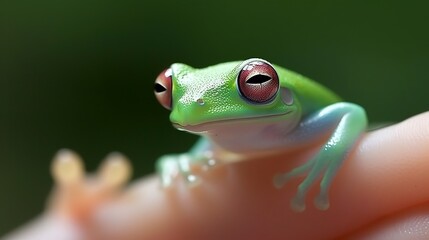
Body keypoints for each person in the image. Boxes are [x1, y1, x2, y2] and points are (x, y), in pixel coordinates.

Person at [4, 112, 429, 240]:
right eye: (166, 89)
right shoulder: (214, 140)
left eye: (256, 82)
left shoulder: (300, 121)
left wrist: (330, 155)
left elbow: (350, 115)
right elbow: (211, 147)